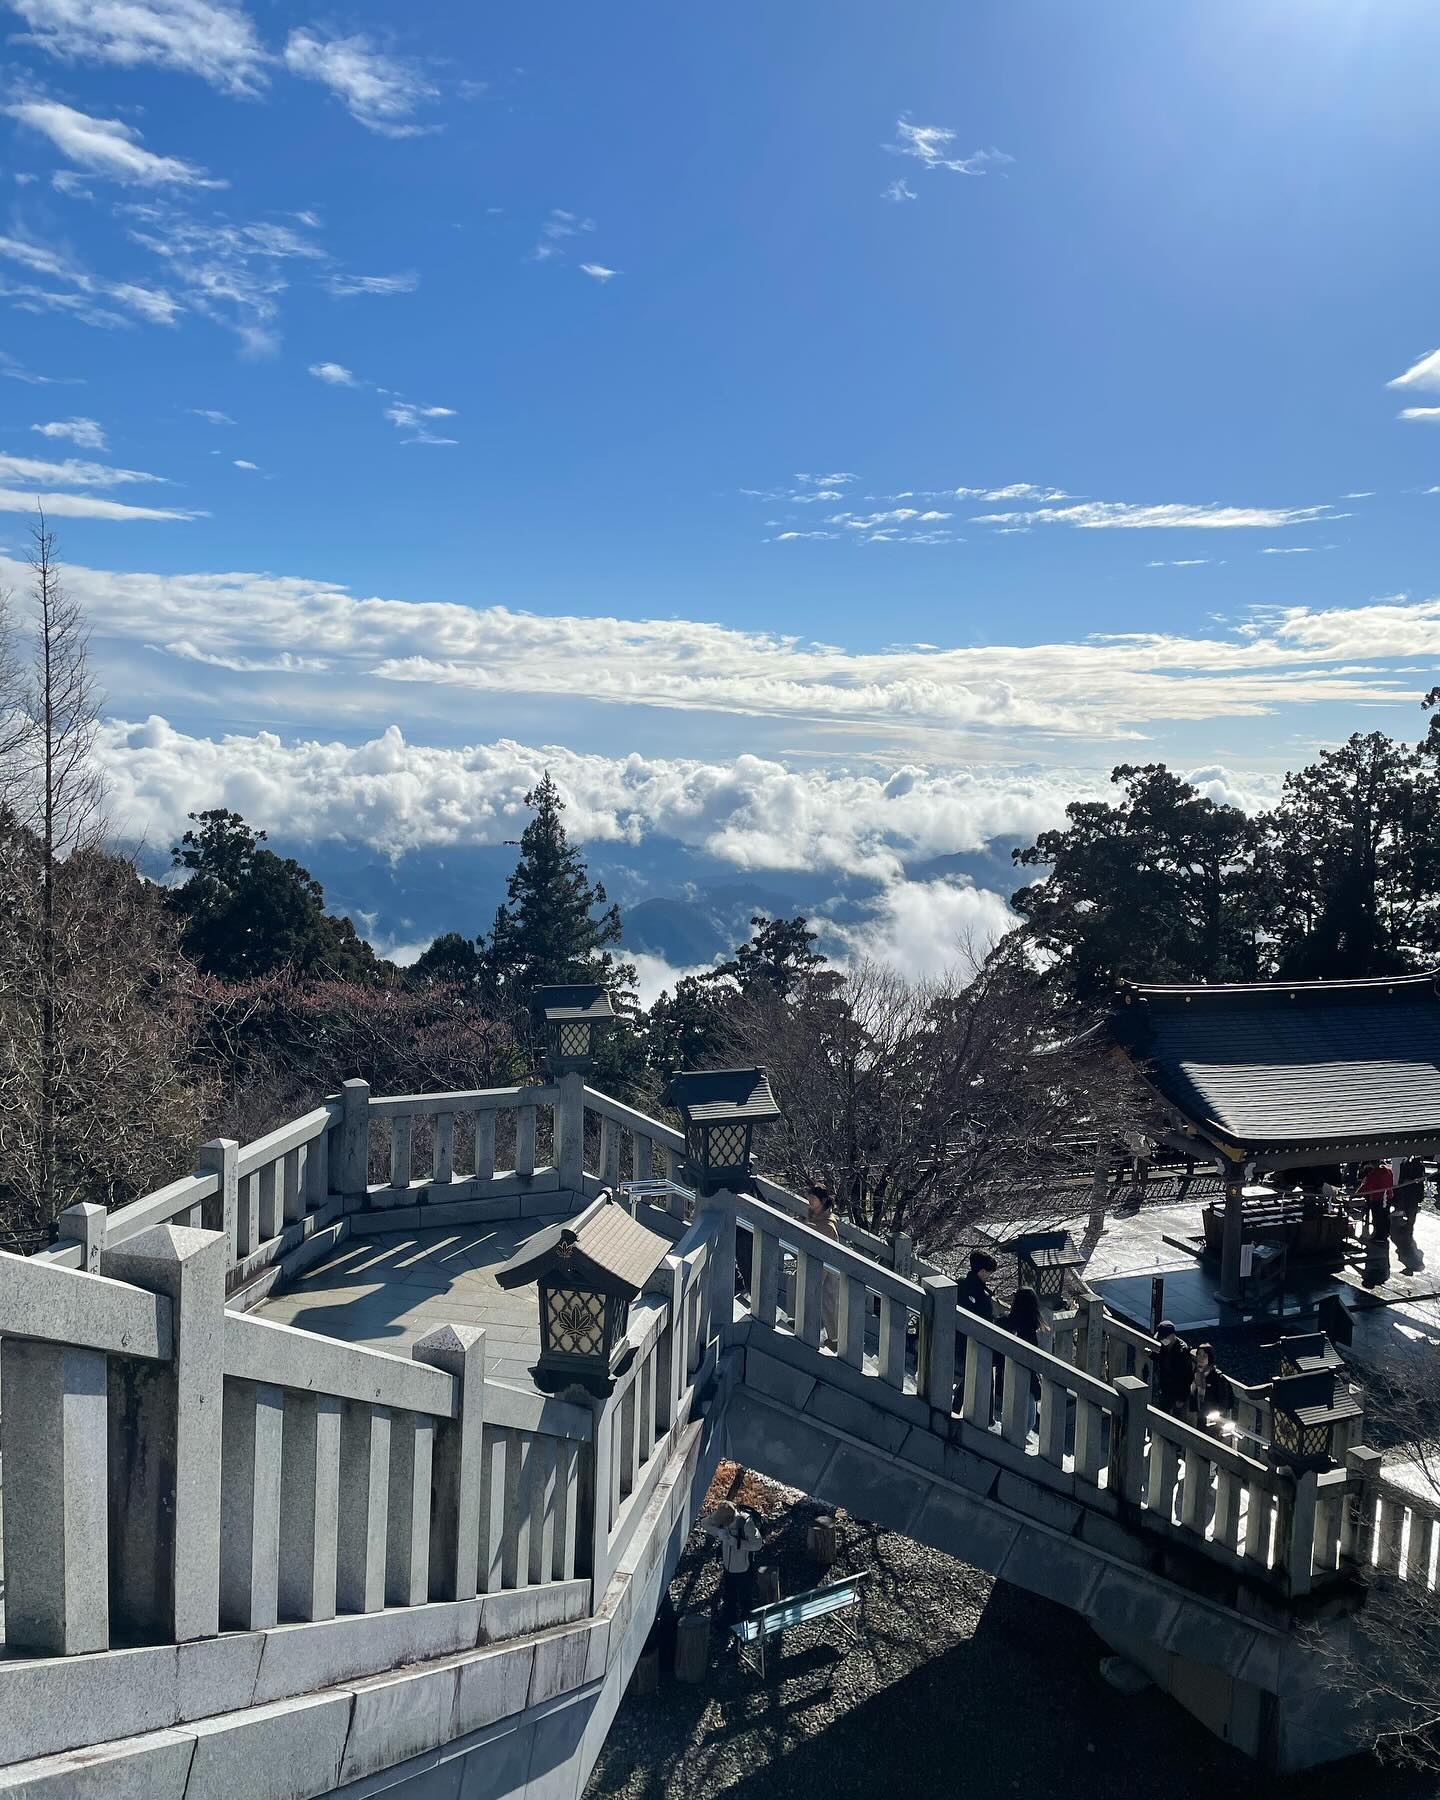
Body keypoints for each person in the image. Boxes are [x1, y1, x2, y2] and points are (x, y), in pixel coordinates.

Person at [703, 1500, 762, 1628]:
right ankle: (729, 1621)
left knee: (745, 1598)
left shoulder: (746, 1523)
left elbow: (757, 1545)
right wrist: (719, 1532)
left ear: (730, 1518)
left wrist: (735, 1542)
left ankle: (747, 1625)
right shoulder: (722, 1515)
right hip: (728, 1567)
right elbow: (705, 1523)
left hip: (743, 1569)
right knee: (729, 1597)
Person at [996, 1286, 1044, 1432]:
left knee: (1017, 1418)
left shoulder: (1004, 1323)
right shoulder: (1029, 1330)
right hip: (1025, 1378)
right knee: (1028, 1422)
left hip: (1003, 1375)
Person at [806, 1183, 840, 1351]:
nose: (809, 1201)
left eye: (813, 1198)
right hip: (814, 1262)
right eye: (809, 1197)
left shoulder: (827, 1224)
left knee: (829, 1302)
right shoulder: (814, 1215)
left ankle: (834, 1339)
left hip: (826, 1267)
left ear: (823, 1201)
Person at [1153, 1320, 1195, 1416]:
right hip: (1166, 1388)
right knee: (1162, 1414)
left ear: (1172, 1335)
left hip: (1177, 1391)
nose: (1162, 1341)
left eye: (1163, 1338)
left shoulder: (1182, 1352)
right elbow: (1163, 1360)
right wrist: (1152, 1355)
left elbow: (1187, 1377)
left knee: (1178, 1418)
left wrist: (1182, 1398)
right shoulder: (1166, 1345)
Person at [1188, 1343, 1234, 1429]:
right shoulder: (1196, 1373)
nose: (1201, 1358)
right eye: (1199, 1355)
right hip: (1200, 1414)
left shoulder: (1217, 1378)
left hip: (1214, 1419)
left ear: (1210, 1358)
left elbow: (1224, 1400)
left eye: (1204, 1355)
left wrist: (1218, 1415)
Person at [1355, 1162, 1394, 1240]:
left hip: (1378, 1198)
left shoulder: (1373, 1175)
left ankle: (1379, 1237)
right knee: (1386, 1215)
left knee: (1377, 1218)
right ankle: (1386, 1233)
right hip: (1388, 1196)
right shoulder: (1388, 1170)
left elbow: (1366, 1187)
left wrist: (1355, 1195)